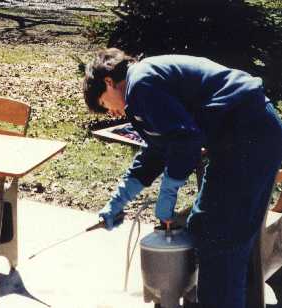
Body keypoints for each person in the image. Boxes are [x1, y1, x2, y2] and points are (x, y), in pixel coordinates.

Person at [83, 48, 282, 308]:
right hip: (241, 140)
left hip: (250, 136)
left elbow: (186, 140)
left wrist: (168, 193)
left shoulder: (141, 84)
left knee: (221, 242)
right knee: (203, 226)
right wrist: (117, 202)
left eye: (103, 103)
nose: (110, 112)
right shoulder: (141, 87)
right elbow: (155, 151)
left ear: (108, 82)